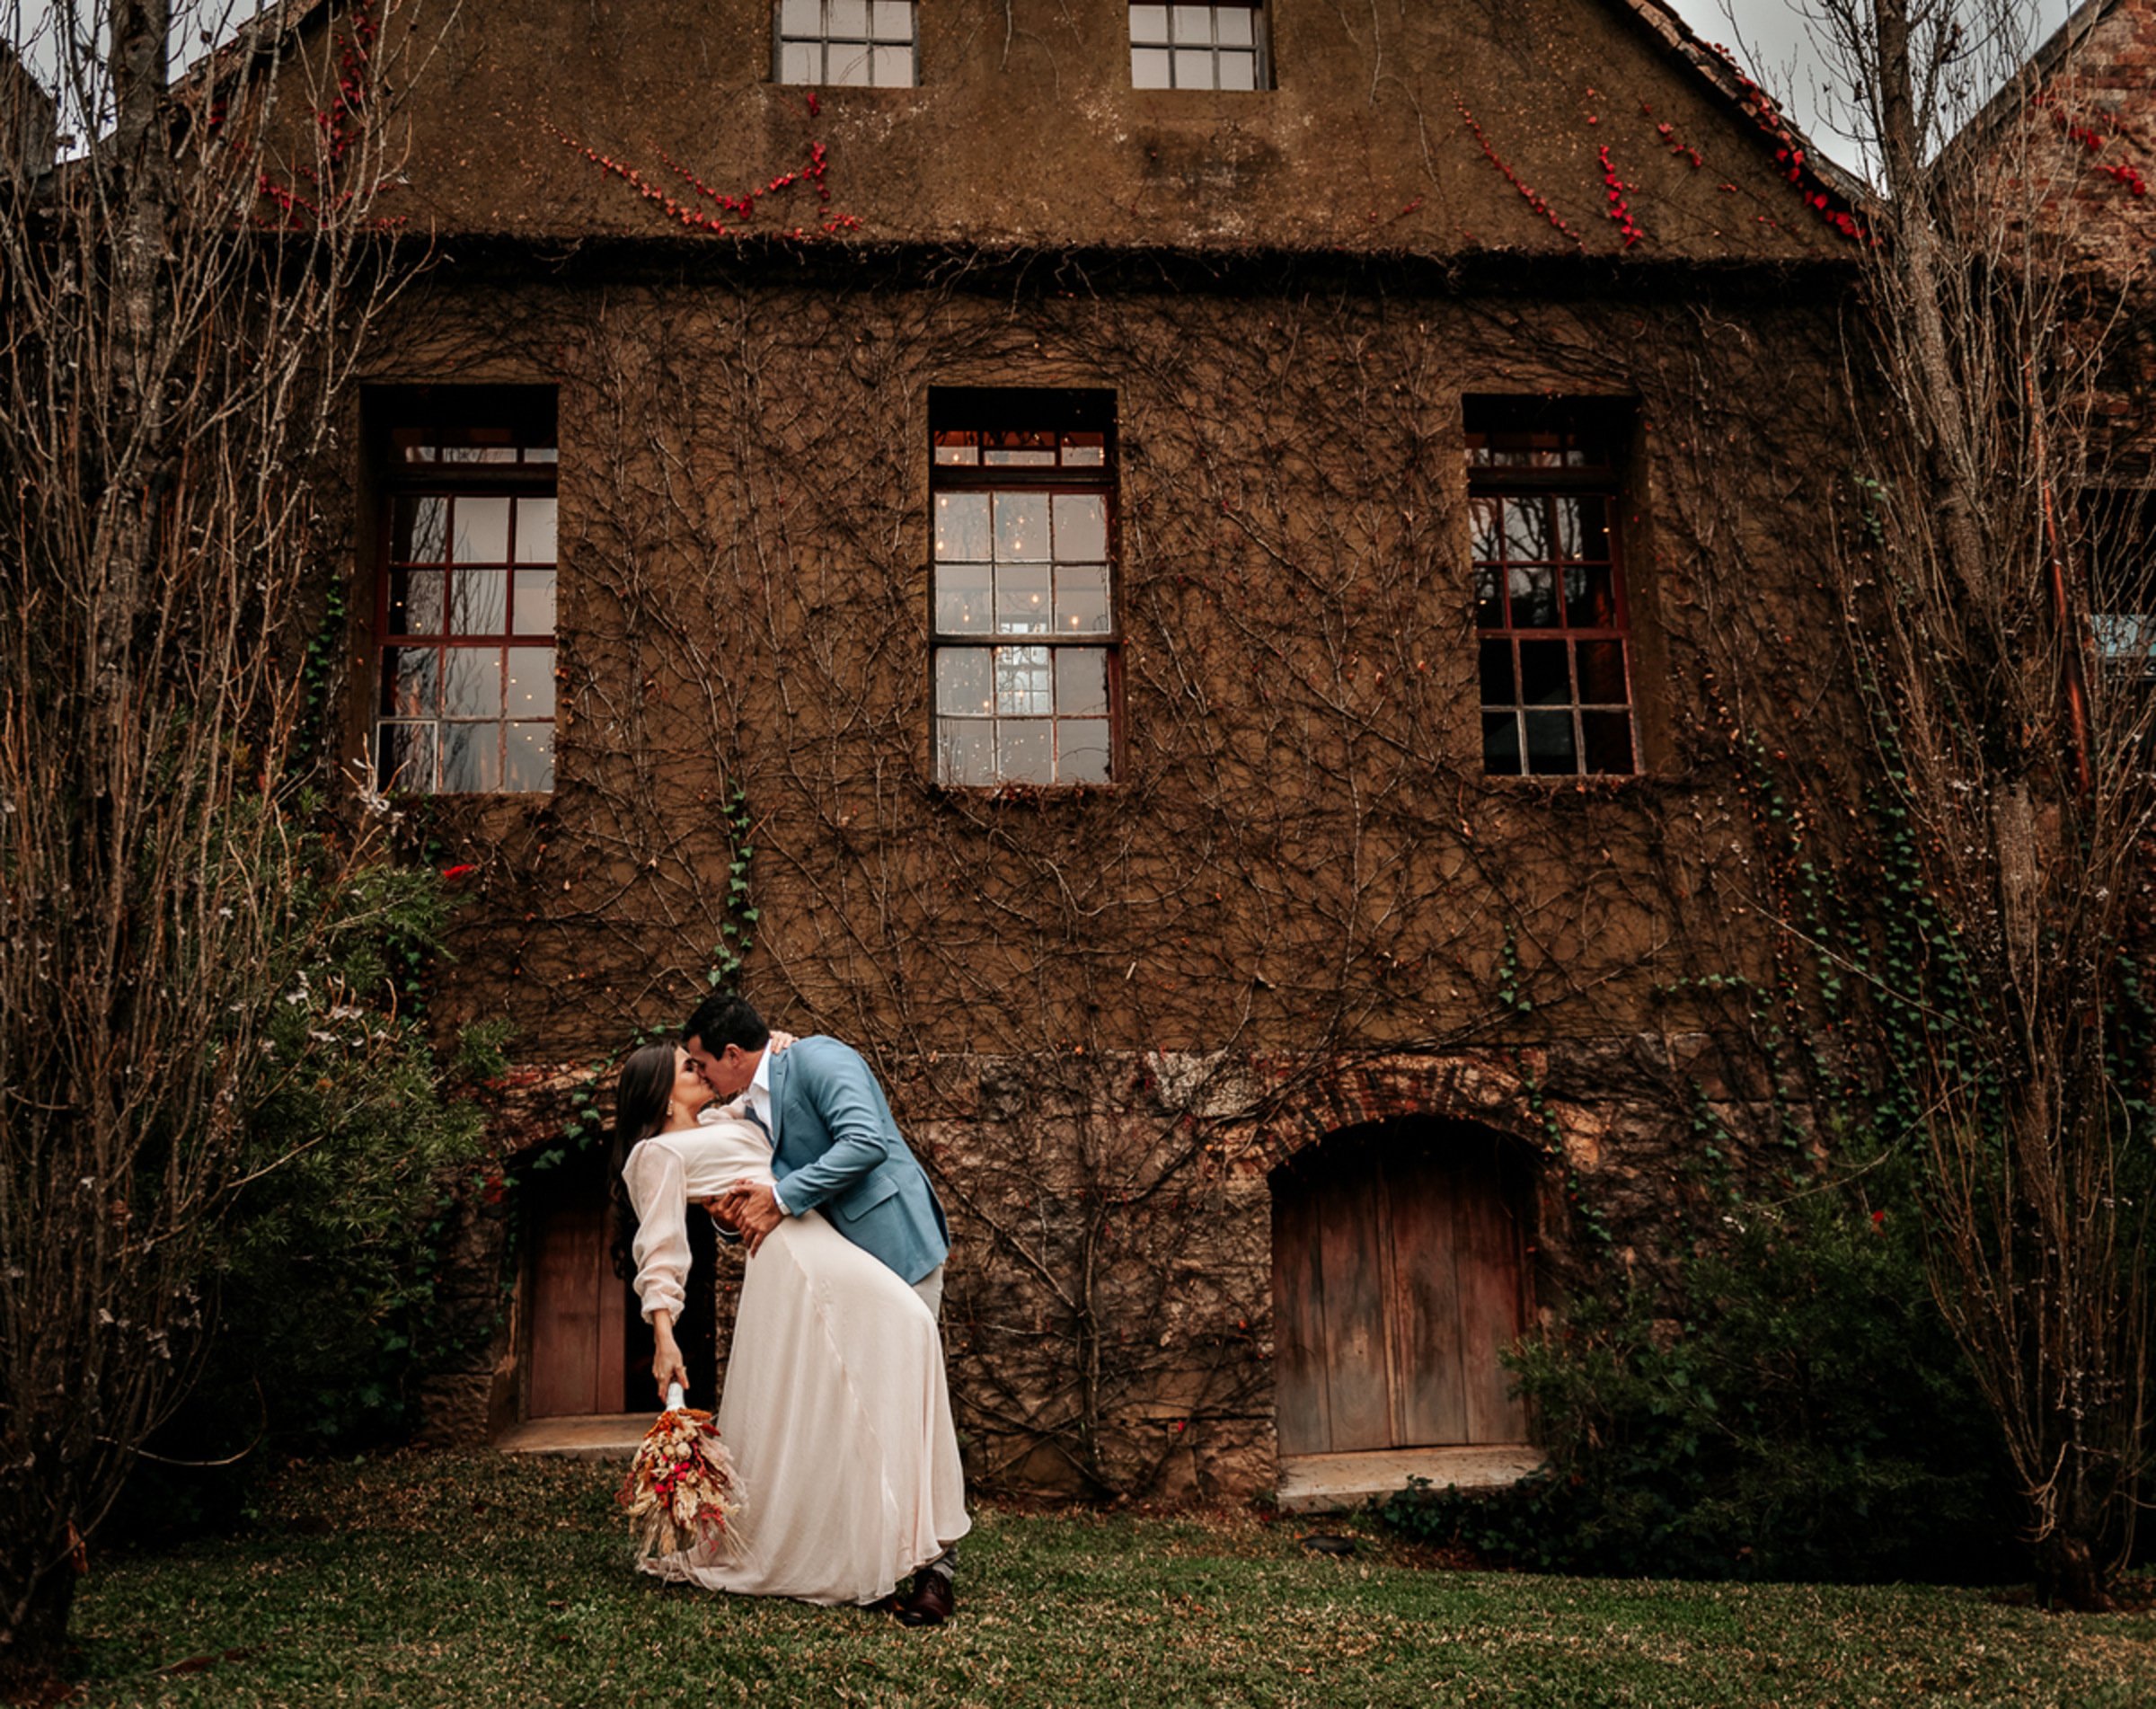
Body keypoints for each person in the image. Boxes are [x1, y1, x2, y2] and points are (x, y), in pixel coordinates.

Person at [614, 1038, 969, 1615]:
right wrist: (664, 1335)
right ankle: (881, 1550)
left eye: (700, 1060)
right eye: (688, 1067)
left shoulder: (729, 1115)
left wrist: (781, 1046)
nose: (702, 1071)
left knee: (892, 1358)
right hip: (793, 1265)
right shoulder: (655, 1156)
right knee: (899, 1337)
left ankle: (908, 1548)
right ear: (659, 1090)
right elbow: (660, 1252)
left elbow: (764, 1092)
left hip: (821, 1247)